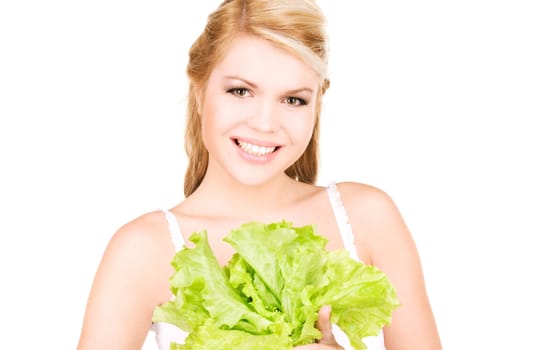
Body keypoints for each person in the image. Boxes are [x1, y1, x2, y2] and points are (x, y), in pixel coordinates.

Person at [77, 0, 442, 349]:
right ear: (200, 90)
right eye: (241, 91)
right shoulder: (143, 248)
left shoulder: (368, 217)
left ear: (317, 103)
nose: (265, 123)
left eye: (293, 100)